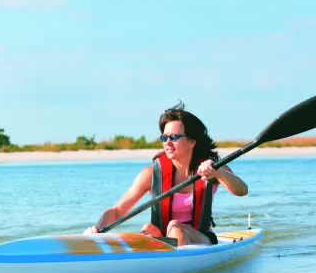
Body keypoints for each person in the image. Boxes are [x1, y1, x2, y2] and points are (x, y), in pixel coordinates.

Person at [84, 101, 248, 246]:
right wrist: (97, 229)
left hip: (201, 238)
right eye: (164, 137)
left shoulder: (212, 168)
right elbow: (118, 210)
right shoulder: (151, 175)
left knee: (175, 227)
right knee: (147, 229)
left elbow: (242, 190)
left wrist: (219, 173)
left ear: (192, 141)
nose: (167, 142)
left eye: (174, 137)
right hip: (164, 238)